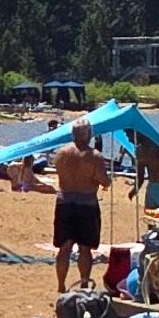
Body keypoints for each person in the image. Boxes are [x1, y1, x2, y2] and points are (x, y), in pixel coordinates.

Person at [48, 121, 111, 293]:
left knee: (64, 246)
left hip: (65, 201)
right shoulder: (94, 156)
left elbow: (61, 174)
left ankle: (61, 285)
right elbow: (104, 181)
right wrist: (106, 180)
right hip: (86, 203)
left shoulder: (62, 153)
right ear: (88, 135)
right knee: (85, 247)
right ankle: (84, 283)